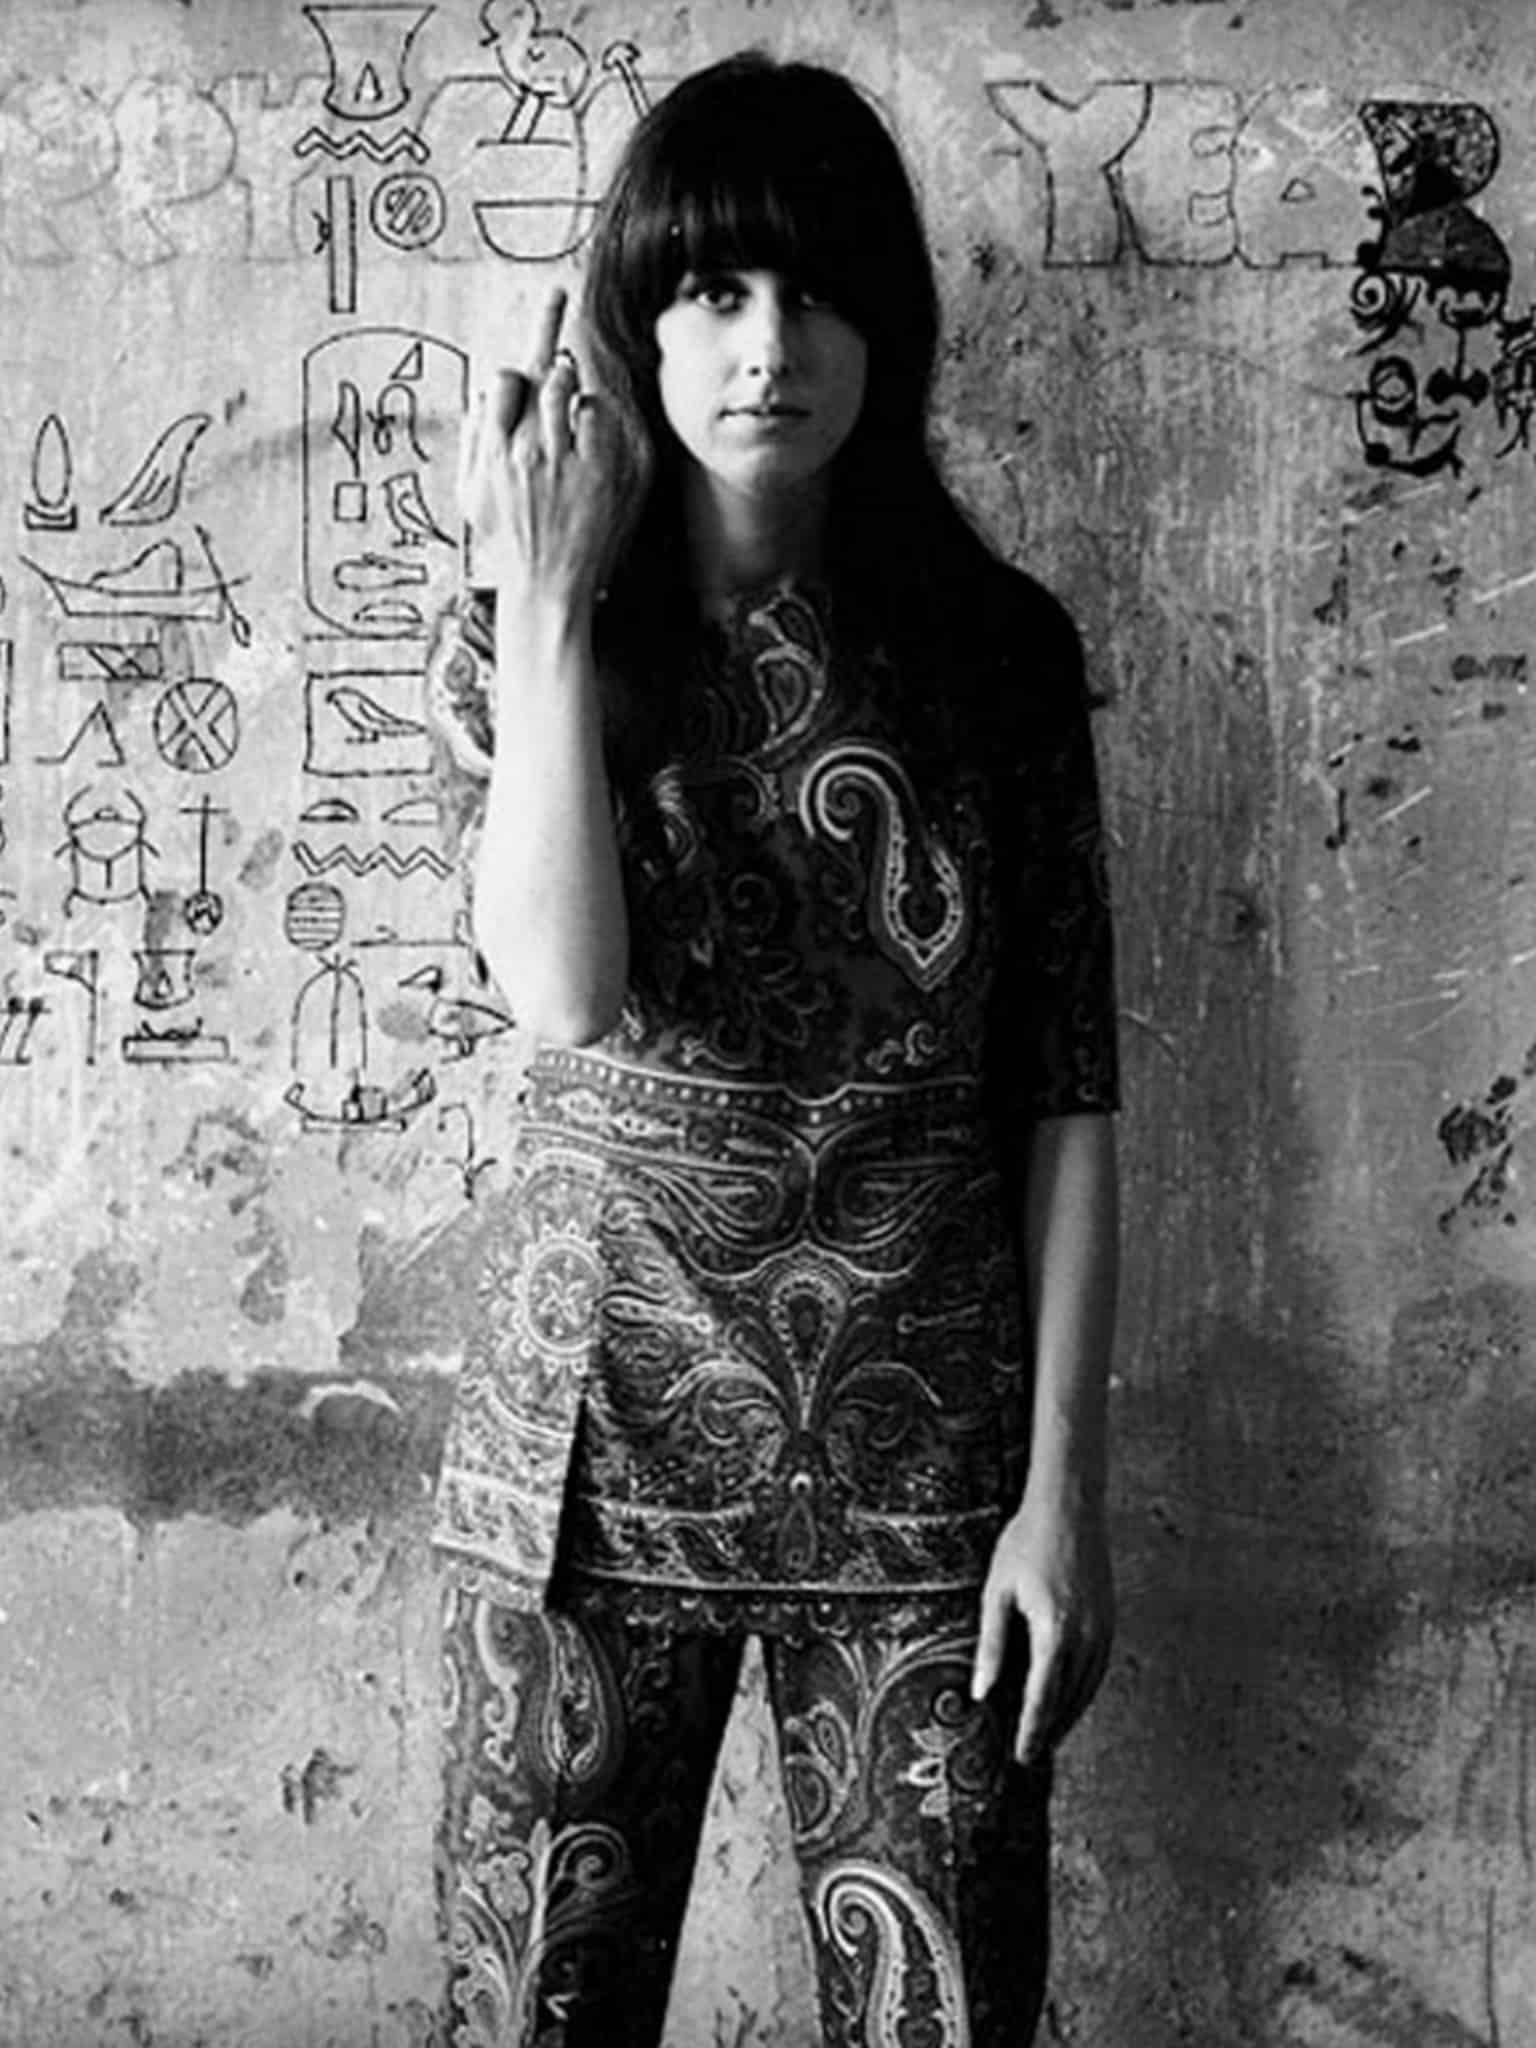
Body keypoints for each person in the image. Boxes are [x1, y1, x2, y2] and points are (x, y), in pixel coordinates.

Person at [424, 48, 1120, 2048]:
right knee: (534, 2016)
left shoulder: (998, 658)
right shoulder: (517, 638)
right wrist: (546, 597)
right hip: (587, 1447)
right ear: (633, 323)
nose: (767, 347)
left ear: (883, 330)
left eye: (816, 293)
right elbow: (563, 992)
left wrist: (1063, 1495)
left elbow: (1067, 1090)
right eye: (713, 291)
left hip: (926, 1472)